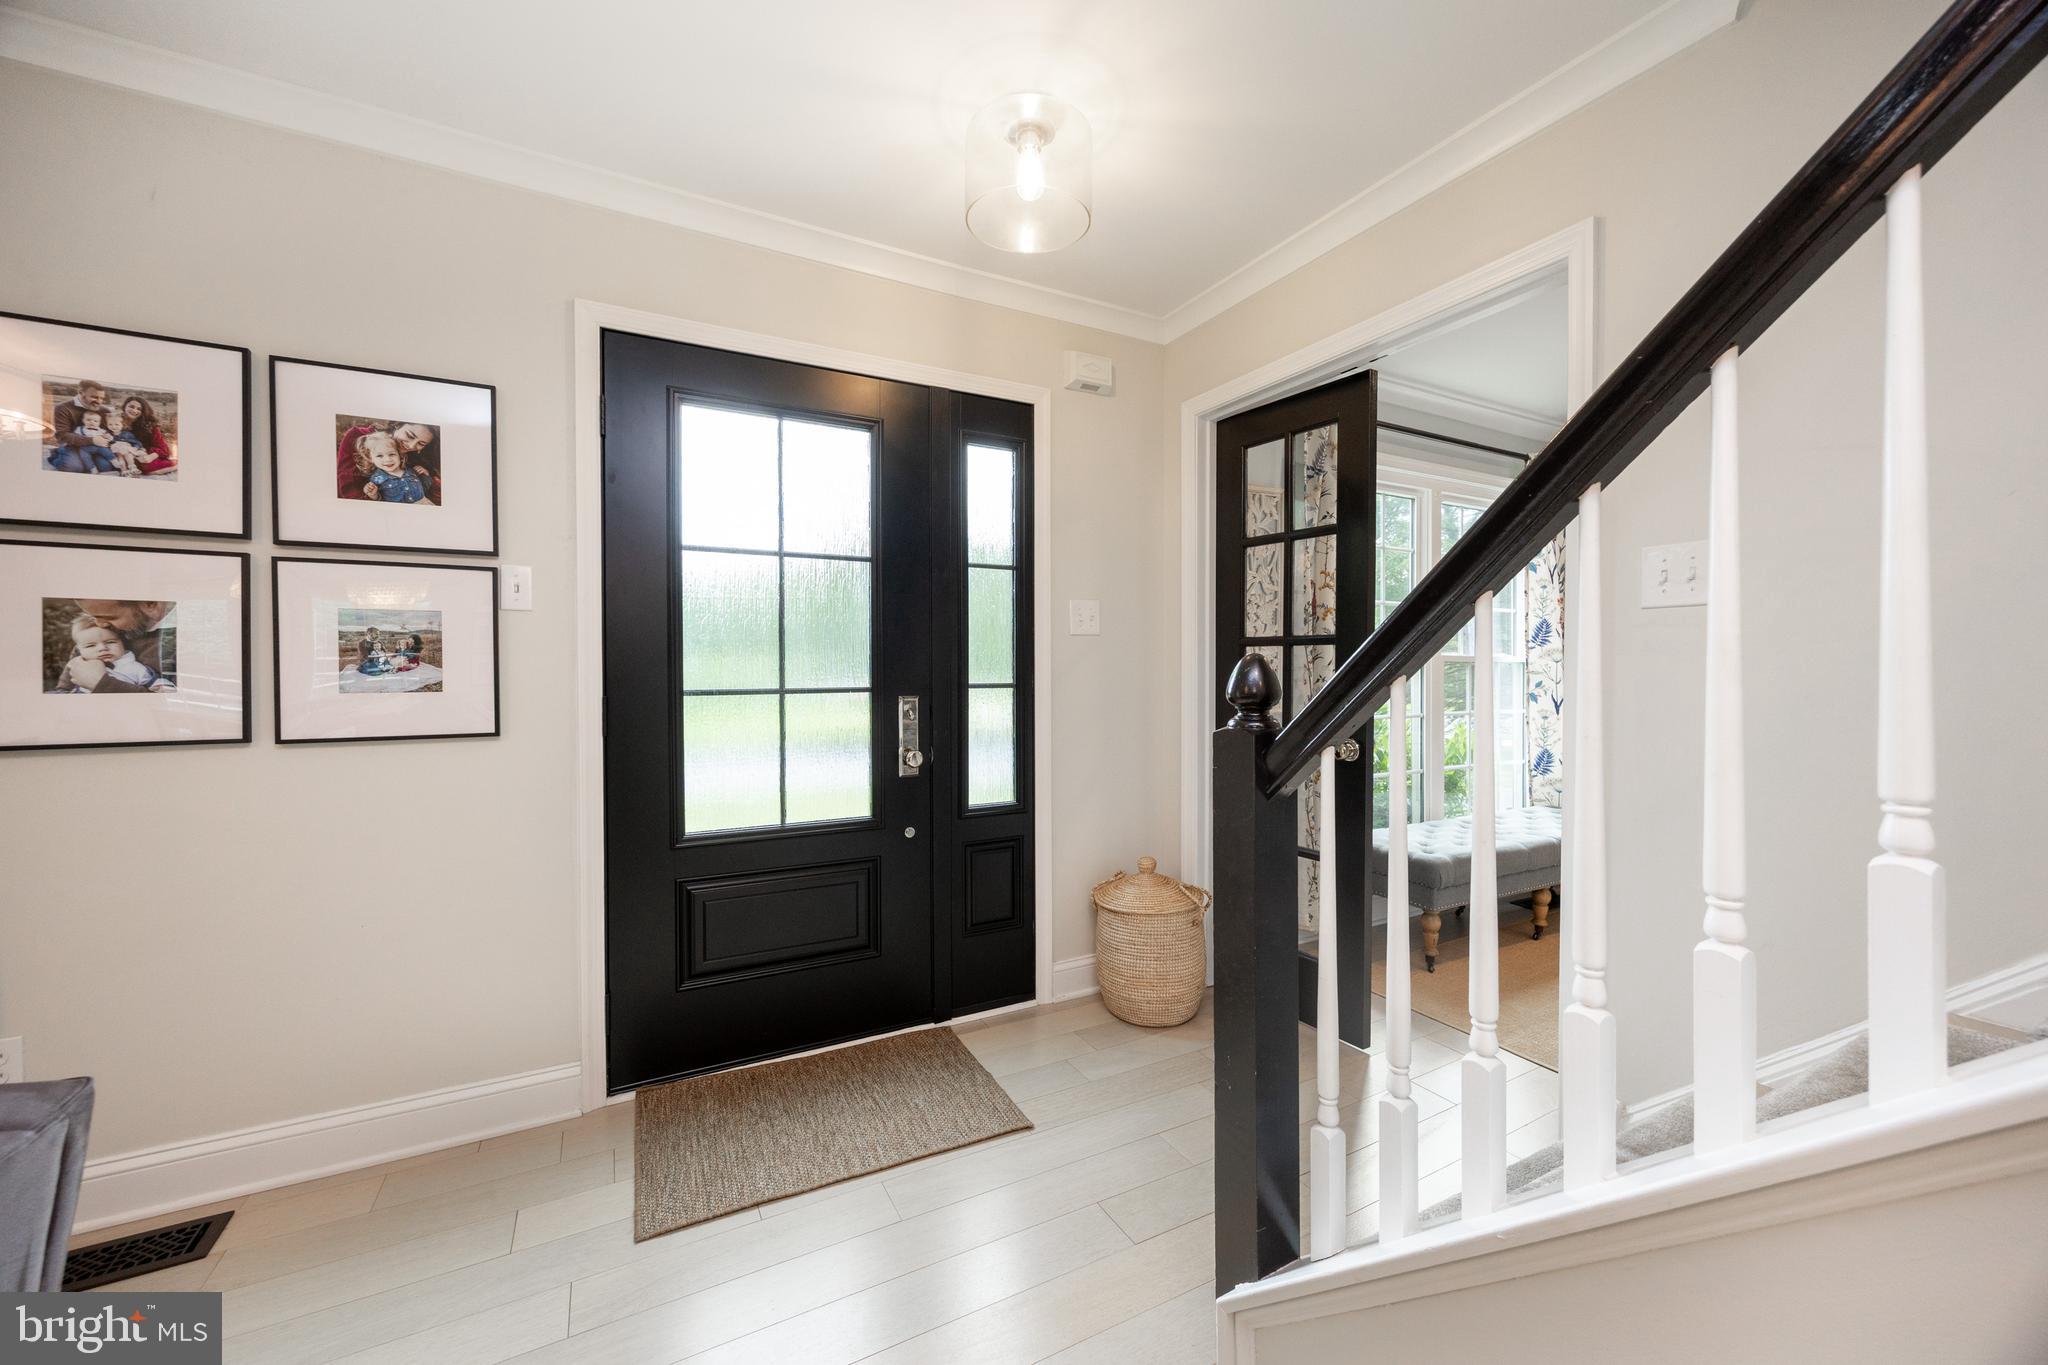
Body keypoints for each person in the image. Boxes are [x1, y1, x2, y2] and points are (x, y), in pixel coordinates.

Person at [62, 600, 175, 693]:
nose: (99, 625)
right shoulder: (109, 630)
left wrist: (101, 684)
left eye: (111, 618)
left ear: (150, 604)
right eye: (92, 617)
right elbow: (64, 688)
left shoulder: (183, 644)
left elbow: (175, 708)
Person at [44, 379, 110, 474]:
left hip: (93, 448)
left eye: (102, 398)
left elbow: (107, 431)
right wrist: (92, 440)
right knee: (74, 468)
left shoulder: (104, 410)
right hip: (71, 446)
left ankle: (84, 461)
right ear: (80, 393)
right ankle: (56, 455)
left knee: (105, 466)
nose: (99, 401)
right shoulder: (63, 408)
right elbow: (62, 435)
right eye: (94, 397)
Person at [352, 430, 432, 503]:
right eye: (379, 456)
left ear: (399, 455)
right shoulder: (376, 480)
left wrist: (426, 475)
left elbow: (425, 487)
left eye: (392, 454)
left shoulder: (412, 471)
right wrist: (373, 494)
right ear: (371, 458)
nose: (387, 459)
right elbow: (380, 500)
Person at [118, 395, 177, 475]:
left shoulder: (149, 426)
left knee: (146, 466)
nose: (134, 410)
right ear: (124, 406)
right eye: (131, 407)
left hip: (144, 455)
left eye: (139, 409)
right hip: (122, 454)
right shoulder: (116, 421)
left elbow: (164, 450)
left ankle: (176, 465)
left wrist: (151, 456)